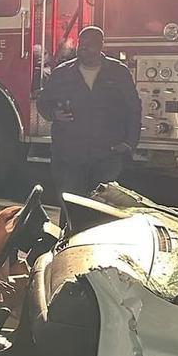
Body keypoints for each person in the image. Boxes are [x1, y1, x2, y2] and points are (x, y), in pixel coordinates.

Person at [36, 25, 141, 220]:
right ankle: (66, 246)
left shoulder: (118, 72)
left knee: (102, 212)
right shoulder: (62, 73)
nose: (84, 48)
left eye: (90, 44)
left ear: (102, 45)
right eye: (81, 44)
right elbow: (43, 102)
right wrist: (54, 113)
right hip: (69, 155)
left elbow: (133, 108)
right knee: (70, 209)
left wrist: (129, 143)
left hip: (106, 155)